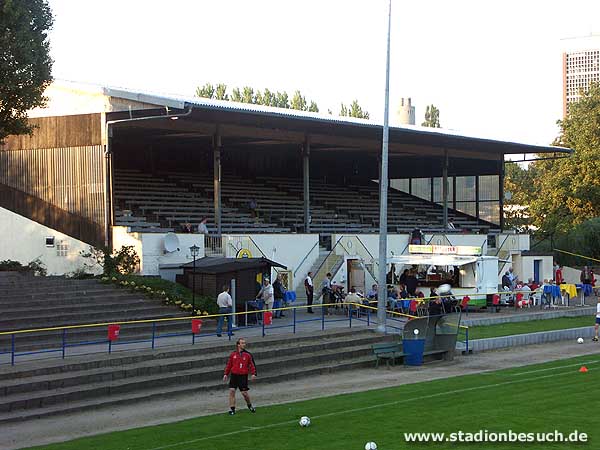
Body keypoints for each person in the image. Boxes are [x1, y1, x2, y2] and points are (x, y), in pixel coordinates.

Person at [223, 338, 257, 415]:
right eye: (242, 343)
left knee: (244, 393)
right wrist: (226, 374)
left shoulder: (247, 355)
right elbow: (229, 365)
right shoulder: (233, 354)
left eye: (244, 343)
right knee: (232, 391)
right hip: (234, 375)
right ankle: (232, 409)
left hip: (243, 376)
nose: (244, 344)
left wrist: (253, 373)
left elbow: (251, 365)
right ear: (238, 345)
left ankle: (249, 405)